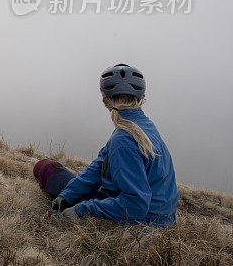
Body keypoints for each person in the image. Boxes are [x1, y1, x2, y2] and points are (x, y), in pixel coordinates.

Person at [34, 64, 179, 226]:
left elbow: (135, 205)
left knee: (44, 168)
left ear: (104, 99)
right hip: (161, 216)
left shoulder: (123, 139)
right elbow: (100, 164)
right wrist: (67, 195)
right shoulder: (142, 126)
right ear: (140, 98)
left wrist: (82, 209)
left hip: (144, 222)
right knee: (65, 181)